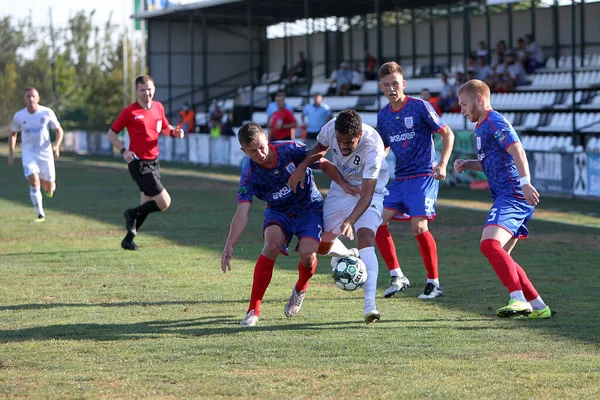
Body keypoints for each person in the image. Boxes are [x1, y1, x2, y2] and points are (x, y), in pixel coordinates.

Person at [221, 122, 357, 327]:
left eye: (260, 146)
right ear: (243, 151)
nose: (259, 153)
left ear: (266, 138)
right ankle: (253, 310)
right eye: (252, 151)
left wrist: (344, 185)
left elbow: (323, 162)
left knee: (307, 254)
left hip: (309, 208)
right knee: (271, 245)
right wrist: (230, 243)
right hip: (278, 212)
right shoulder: (249, 175)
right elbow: (242, 213)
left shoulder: (290, 149)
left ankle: (301, 288)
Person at [454, 79, 551, 319]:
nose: (462, 110)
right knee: (501, 254)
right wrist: (469, 163)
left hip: (513, 194)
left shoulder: (494, 121)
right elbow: (494, 163)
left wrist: (525, 182)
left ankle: (518, 299)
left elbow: (517, 150)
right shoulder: (481, 126)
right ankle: (539, 306)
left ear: (479, 99)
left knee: (489, 245)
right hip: (508, 195)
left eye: (464, 104)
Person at [288, 109, 388, 324]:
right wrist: (302, 167)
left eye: (348, 142)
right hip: (341, 189)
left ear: (359, 135)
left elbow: (368, 193)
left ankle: (370, 305)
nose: (342, 146)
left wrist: (350, 220)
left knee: (366, 237)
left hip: (369, 192)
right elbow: (319, 150)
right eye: (340, 141)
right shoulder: (331, 127)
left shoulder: (373, 147)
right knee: (320, 246)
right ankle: (346, 255)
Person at [375, 62, 455, 299]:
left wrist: (442, 164)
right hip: (401, 178)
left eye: (396, 84)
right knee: (377, 223)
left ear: (404, 84)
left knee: (419, 226)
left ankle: (434, 283)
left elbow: (447, 133)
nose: (392, 89)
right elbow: (385, 147)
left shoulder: (420, 107)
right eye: (387, 85)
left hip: (424, 175)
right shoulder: (383, 116)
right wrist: (375, 159)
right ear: (381, 87)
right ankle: (397, 275)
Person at [107, 74, 185, 251]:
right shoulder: (130, 112)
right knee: (164, 201)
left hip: (154, 162)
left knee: (146, 205)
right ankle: (130, 213)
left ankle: (128, 239)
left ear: (154, 89)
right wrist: (124, 150)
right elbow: (111, 134)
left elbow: (164, 127)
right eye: (142, 90)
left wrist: (175, 133)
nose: (146, 93)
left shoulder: (158, 107)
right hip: (138, 164)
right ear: (136, 91)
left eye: (149, 89)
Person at [8, 87, 64, 222]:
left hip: (45, 154)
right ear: (24, 99)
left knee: (49, 186)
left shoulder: (46, 112)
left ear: (38, 98)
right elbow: (13, 134)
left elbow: (59, 130)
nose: (31, 99)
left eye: (33, 96)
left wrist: (56, 146)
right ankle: (40, 214)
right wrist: (11, 153)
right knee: (33, 179)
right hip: (28, 153)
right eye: (28, 96)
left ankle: (49, 187)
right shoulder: (19, 116)